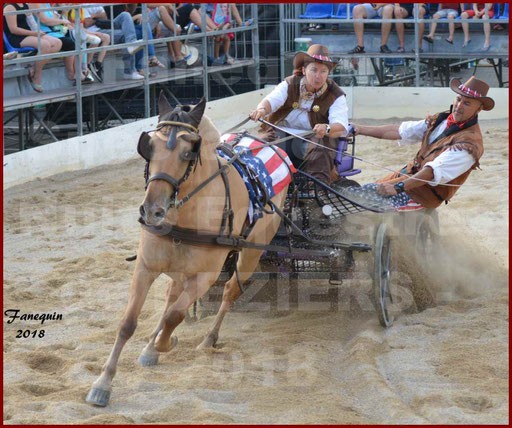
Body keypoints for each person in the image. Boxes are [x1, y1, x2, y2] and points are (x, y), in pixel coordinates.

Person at [351, 77, 494, 209]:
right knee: (358, 194)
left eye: (467, 103)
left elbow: (432, 172)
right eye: (458, 99)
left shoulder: (469, 144)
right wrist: (360, 129)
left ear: (479, 108)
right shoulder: (441, 119)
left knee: (366, 201)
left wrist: (397, 187)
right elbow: (402, 131)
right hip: (406, 176)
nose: (458, 106)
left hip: (424, 194)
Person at [249, 44, 348, 184]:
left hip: (313, 138)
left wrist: (326, 128)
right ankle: (260, 185)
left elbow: (341, 125)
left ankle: (318, 188)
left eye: (323, 71)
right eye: (313, 70)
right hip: (281, 134)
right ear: (303, 69)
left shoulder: (336, 94)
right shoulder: (289, 84)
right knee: (262, 144)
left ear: (328, 73)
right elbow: (271, 100)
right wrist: (261, 110)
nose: (318, 76)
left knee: (321, 147)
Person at [3, 3, 62, 92]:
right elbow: (13, 30)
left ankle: (34, 67)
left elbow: (32, 24)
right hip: (17, 37)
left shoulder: (25, 5)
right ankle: (36, 76)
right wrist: (34, 33)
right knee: (45, 45)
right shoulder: (9, 7)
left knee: (57, 43)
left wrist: (38, 31)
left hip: (30, 33)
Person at [83, 4, 143, 80]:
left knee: (125, 15)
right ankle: (129, 72)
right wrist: (98, 17)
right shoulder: (82, 4)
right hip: (95, 31)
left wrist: (94, 16)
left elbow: (104, 17)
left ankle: (132, 43)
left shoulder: (95, 3)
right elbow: (87, 22)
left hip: (104, 25)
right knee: (126, 36)